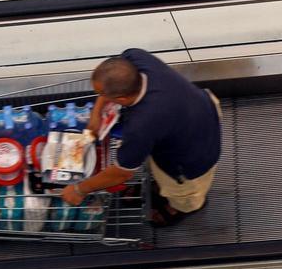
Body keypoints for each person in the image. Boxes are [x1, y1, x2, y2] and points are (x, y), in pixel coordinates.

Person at [60, 48, 222, 227]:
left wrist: (79, 189)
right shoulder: (136, 57)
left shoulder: (142, 126)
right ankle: (160, 185)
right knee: (159, 155)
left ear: (121, 99)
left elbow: (122, 173)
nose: (101, 98)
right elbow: (113, 74)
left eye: (103, 95)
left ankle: (181, 207)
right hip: (200, 106)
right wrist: (96, 113)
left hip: (194, 155)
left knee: (185, 194)